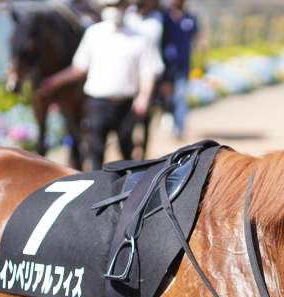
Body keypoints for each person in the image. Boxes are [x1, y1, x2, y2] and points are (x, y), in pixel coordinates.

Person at [41, 0, 164, 170]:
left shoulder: (140, 38)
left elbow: (147, 72)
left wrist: (144, 96)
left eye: (118, 5)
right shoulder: (93, 34)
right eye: (110, 6)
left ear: (126, 7)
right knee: (95, 151)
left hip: (126, 106)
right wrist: (55, 81)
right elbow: (79, 68)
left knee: (127, 154)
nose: (114, 10)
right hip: (98, 104)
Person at [124, 0, 164, 158]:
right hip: (130, 73)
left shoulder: (160, 19)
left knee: (146, 114)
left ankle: (143, 153)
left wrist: (166, 79)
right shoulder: (127, 17)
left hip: (151, 72)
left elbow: (166, 48)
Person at [161, 0, 204, 140]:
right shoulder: (164, 17)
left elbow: (197, 37)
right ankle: (167, 115)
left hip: (182, 64)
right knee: (166, 96)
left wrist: (201, 46)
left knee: (180, 96)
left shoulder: (190, 19)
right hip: (165, 65)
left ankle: (178, 127)